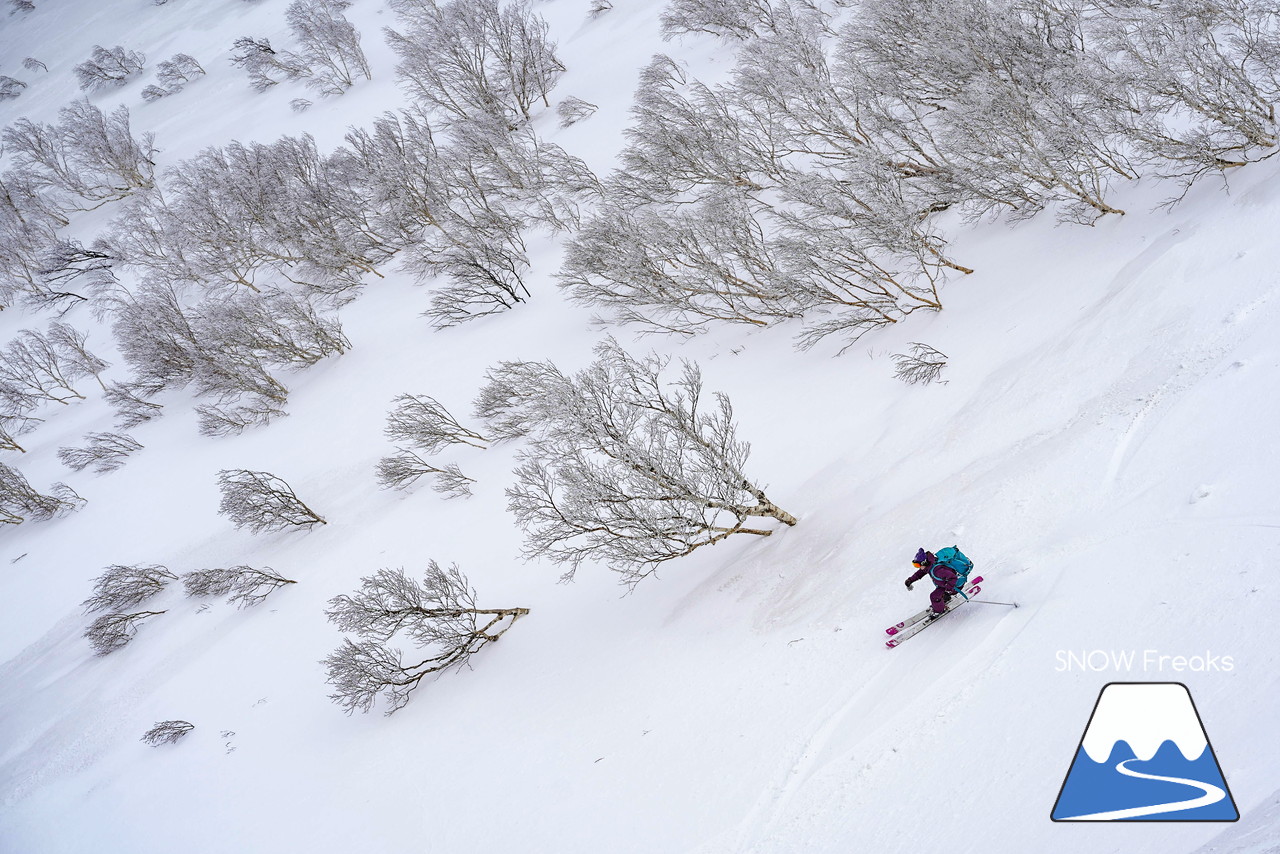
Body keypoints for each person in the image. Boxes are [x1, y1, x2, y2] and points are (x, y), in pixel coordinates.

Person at [905, 547, 957, 616]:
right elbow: (920, 573)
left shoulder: (937, 571)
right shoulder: (930, 565)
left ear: (925, 562)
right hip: (945, 585)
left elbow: (953, 578)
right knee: (936, 595)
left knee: (934, 596)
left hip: (953, 586)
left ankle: (939, 611)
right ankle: (941, 602)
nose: (918, 567)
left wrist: (948, 591)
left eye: (918, 565)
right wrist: (910, 580)